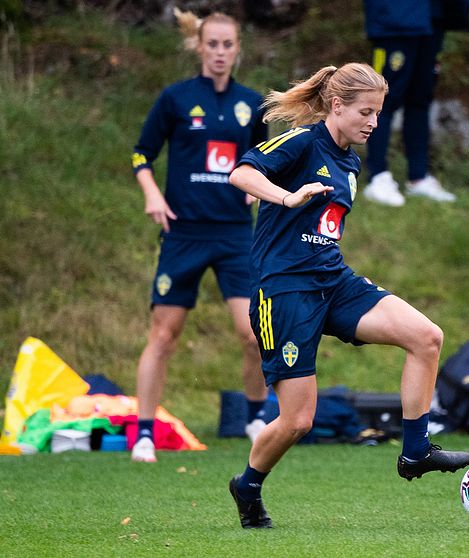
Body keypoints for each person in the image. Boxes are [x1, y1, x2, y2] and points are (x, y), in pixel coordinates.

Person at [226, 63, 469, 529]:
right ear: (336, 106)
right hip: (285, 291)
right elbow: (241, 173)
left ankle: (416, 451)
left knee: (426, 337)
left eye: (378, 114)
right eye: (366, 112)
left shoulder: (350, 161)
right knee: (298, 421)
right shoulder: (302, 141)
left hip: (333, 281)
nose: (373, 123)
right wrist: (286, 196)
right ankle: (248, 485)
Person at [129, 10, 270, 463]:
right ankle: (145, 433)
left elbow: (263, 161)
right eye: (212, 44)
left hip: (234, 235)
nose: (220, 53)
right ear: (199, 47)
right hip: (183, 233)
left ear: (238, 49)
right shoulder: (175, 98)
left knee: (252, 334)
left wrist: (258, 192)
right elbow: (141, 155)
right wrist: (153, 193)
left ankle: (255, 417)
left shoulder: (252, 103)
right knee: (164, 335)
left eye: (228, 45)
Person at [360, 0, 469, 206]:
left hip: (432, 17)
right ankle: (377, 176)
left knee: (420, 101)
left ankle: (418, 178)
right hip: (395, 18)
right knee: (382, 99)